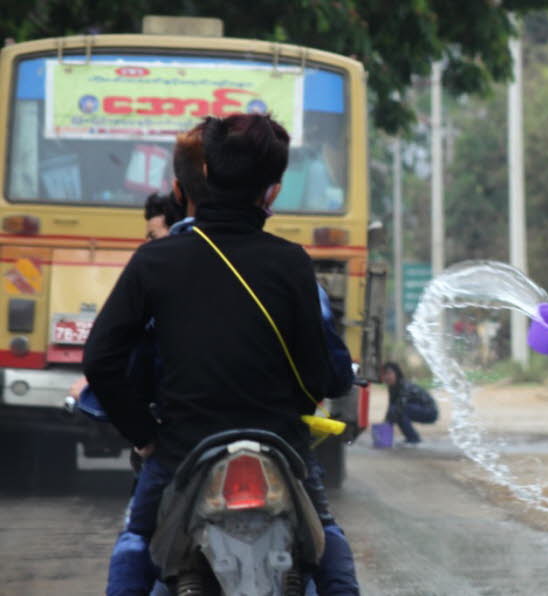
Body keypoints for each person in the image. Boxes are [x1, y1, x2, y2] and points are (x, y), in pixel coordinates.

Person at [84, 113, 359, 595]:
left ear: (204, 175)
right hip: (281, 446)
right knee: (327, 539)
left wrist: (147, 437)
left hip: (180, 449)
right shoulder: (291, 262)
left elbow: (101, 360)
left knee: (135, 540)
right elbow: (319, 375)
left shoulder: (155, 260)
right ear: (273, 191)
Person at [382, 362, 438, 445]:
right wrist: (384, 427)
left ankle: (413, 439)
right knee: (396, 410)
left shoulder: (404, 386)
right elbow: (391, 407)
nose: (386, 377)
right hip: (414, 409)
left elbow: (398, 407)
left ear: (397, 374)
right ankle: (411, 438)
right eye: (384, 374)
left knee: (399, 410)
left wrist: (387, 425)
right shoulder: (392, 387)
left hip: (430, 412)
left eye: (389, 373)